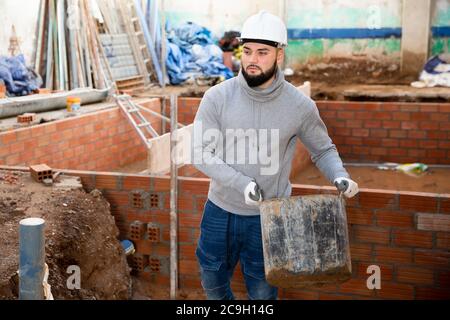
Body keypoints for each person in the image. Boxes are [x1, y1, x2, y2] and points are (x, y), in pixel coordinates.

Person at [191, 10, 359, 300]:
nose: (252, 60)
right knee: (213, 282)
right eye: (248, 51)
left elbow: (323, 150)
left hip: (269, 216)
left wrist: (340, 175)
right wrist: (241, 183)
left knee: (262, 291)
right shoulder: (217, 97)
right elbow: (199, 152)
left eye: (263, 52)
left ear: (280, 54)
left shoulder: (299, 106)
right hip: (219, 210)